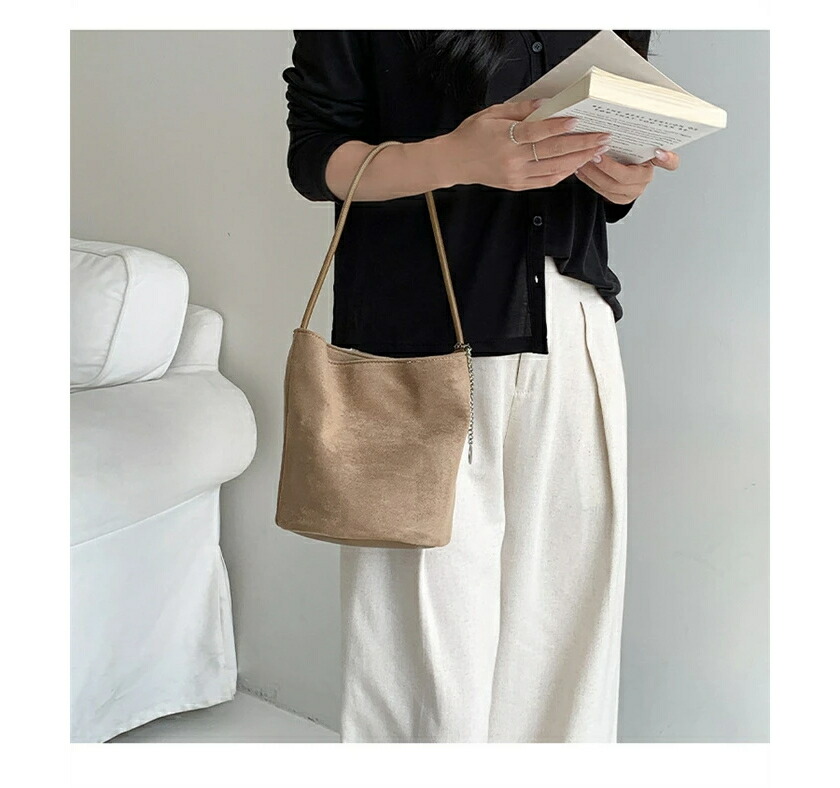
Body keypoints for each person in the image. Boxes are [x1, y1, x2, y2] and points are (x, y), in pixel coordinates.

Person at [282, 30, 680, 743]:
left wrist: (625, 179)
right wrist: (454, 159)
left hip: (572, 327)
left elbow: (607, 145)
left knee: (565, 635)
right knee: (421, 654)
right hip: (413, 341)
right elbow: (315, 156)